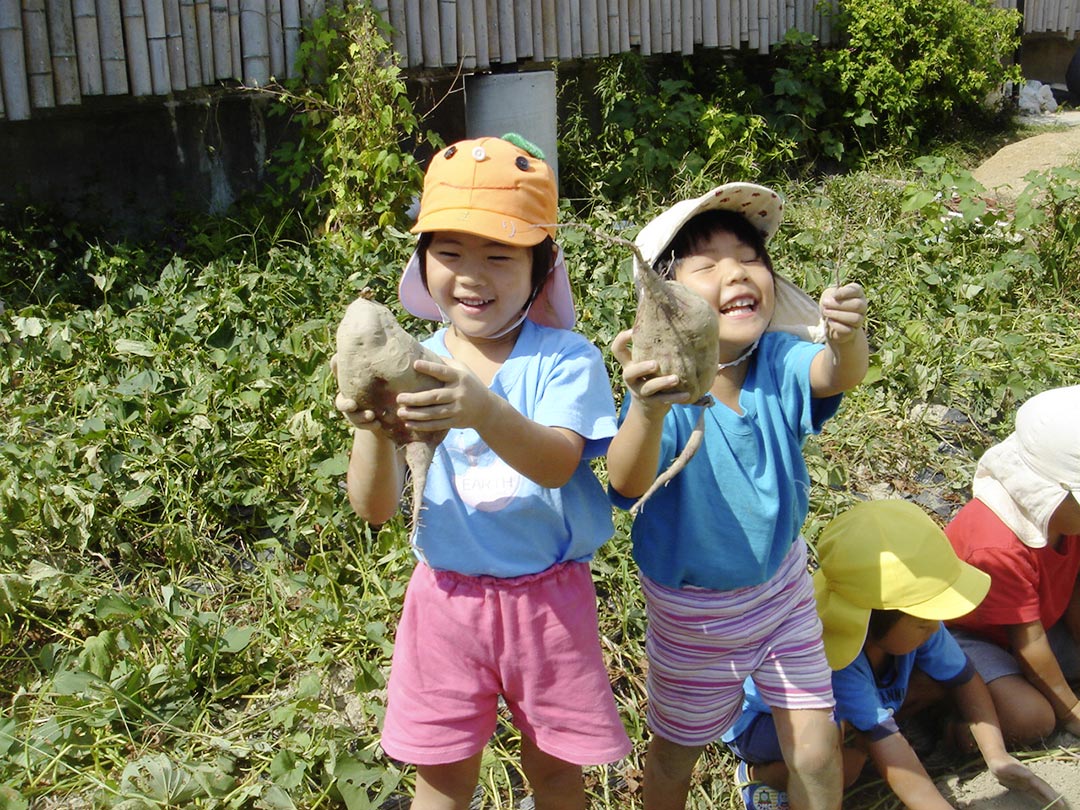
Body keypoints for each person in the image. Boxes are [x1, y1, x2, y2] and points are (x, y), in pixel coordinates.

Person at [336, 134, 631, 810]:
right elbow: (376, 509)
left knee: (556, 772)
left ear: (540, 265)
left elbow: (558, 463)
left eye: (499, 256)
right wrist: (372, 431)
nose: (471, 275)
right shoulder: (413, 363)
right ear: (422, 261)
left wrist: (482, 409)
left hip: (548, 606)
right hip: (445, 604)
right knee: (442, 776)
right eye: (448, 253)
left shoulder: (565, 360)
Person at [606, 183, 870, 810]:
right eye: (707, 264)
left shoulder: (779, 358)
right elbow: (625, 483)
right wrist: (645, 407)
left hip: (782, 589)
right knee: (675, 756)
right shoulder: (665, 385)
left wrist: (846, 336)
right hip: (695, 615)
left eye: (750, 257)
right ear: (666, 299)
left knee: (815, 747)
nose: (736, 272)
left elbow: (839, 374)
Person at [724, 500, 1064, 810]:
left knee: (923, 689)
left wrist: (997, 756)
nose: (935, 627)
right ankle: (763, 773)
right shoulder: (839, 661)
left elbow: (964, 677)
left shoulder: (919, 624)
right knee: (841, 766)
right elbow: (887, 743)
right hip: (764, 721)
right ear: (872, 617)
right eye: (923, 622)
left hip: (840, 706)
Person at [945, 384, 1080, 747]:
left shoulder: (1069, 518)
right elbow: (1028, 640)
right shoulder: (997, 545)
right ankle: (955, 726)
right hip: (975, 638)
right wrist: (1072, 711)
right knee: (1032, 719)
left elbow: (1074, 594)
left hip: (1041, 623)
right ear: (1055, 492)